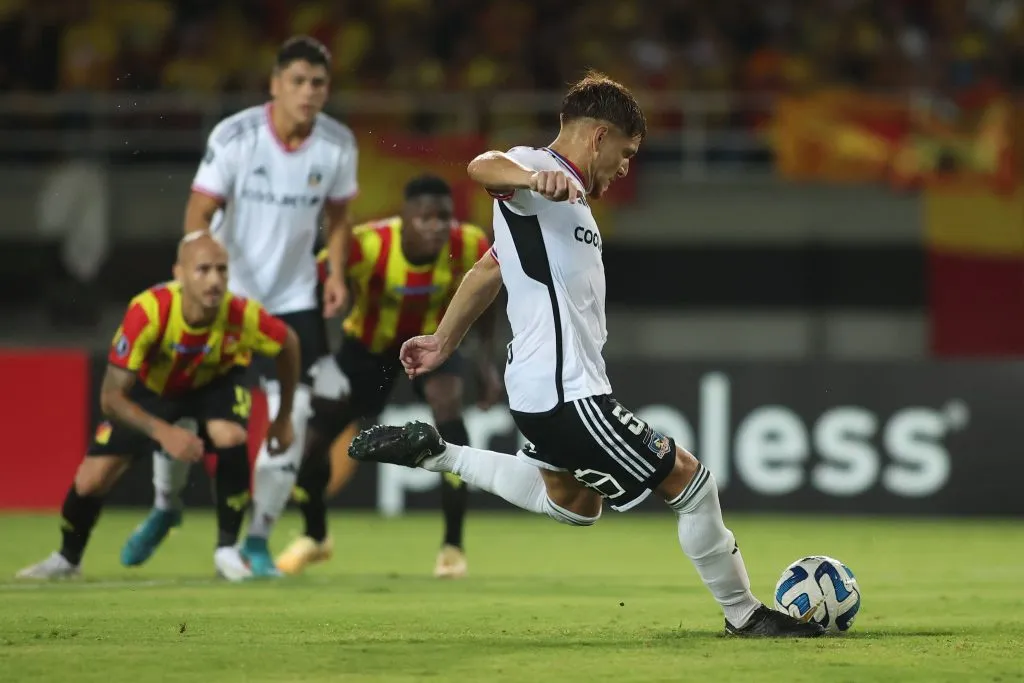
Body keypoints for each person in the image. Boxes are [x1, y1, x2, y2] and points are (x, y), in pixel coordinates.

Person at [347, 72, 824, 637]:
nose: (625, 168)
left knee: (575, 503)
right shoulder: (533, 171)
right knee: (692, 485)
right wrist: (531, 177)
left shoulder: (566, 203)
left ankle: (438, 453)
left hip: (547, 390)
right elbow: (482, 165)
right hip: (566, 391)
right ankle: (745, 616)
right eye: (626, 153)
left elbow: (490, 268)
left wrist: (442, 341)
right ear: (598, 137)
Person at [121, 35, 359, 577]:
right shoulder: (236, 137)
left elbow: (340, 217)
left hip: (294, 298)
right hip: (229, 298)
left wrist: (336, 273)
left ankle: (257, 539)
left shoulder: (338, 144)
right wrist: (199, 283)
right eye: (297, 81)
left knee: (291, 418)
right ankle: (165, 508)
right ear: (275, 84)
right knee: (181, 405)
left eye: (318, 83)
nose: (308, 92)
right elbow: (197, 215)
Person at [16, 233, 301, 580]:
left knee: (230, 436)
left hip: (216, 383)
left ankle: (227, 550)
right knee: (91, 480)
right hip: (153, 390)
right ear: (179, 274)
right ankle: (67, 559)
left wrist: (283, 418)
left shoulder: (241, 314)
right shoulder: (148, 312)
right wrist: (163, 432)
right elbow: (110, 397)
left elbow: (289, 343)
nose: (214, 280)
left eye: (222, 270)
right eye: (203, 270)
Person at [275, 174, 503, 578]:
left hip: (433, 347)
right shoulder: (367, 244)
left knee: (450, 416)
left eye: (444, 218)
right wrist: (322, 357)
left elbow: (487, 299)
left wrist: (485, 363)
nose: (436, 227)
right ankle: (315, 536)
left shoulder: (469, 243)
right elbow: (307, 288)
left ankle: (452, 548)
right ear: (405, 217)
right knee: (312, 443)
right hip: (366, 351)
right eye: (426, 218)